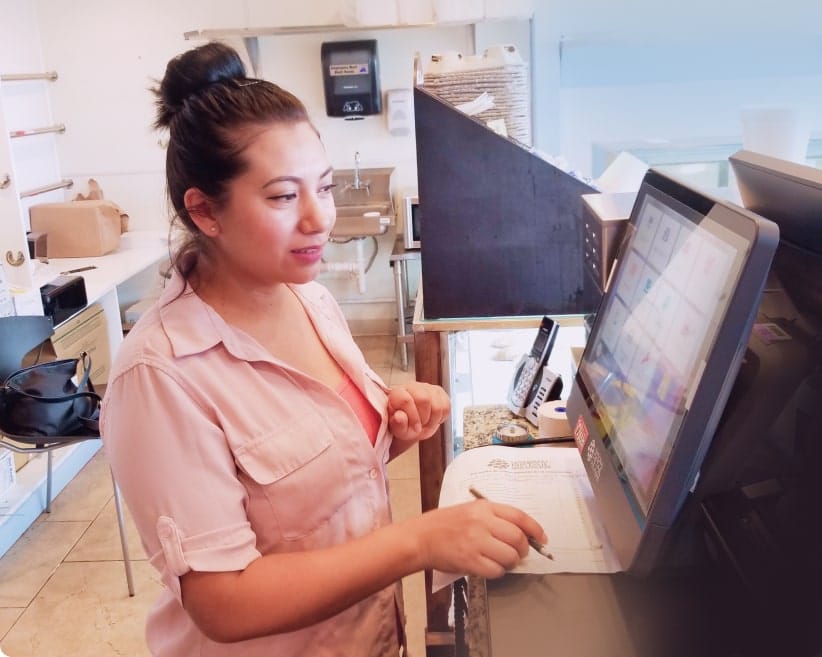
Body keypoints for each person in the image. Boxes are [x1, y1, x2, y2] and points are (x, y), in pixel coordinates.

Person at [101, 42, 547, 657]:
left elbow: (309, 483)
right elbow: (223, 601)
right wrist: (420, 541)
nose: (319, 218)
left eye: (325, 187)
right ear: (204, 211)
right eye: (284, 197)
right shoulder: (161, 376)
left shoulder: (309, 301)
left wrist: (394, 424)